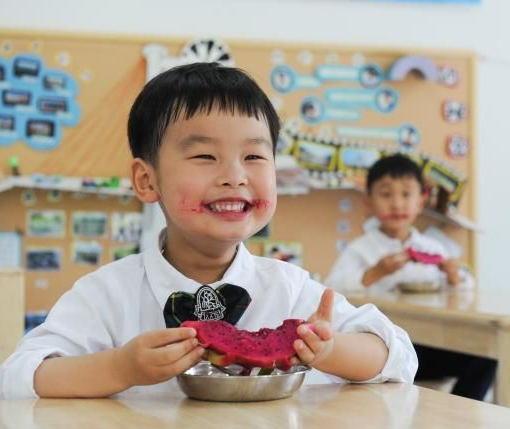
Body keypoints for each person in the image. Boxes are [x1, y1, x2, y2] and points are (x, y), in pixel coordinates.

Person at [0, 63, 417, 399]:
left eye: (254, 155)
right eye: (204, 155)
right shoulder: (106, 294)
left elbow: (398, 356)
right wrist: (119, 367)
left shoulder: (289, 289)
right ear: (147, 181)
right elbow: (20, 377)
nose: (235, 176)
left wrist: (331, 350)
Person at [325, 154, 496, 401]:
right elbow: (332, 289)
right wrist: (375, 273)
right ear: (368, 202)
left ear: (421, 201)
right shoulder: (360, 249)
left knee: (487, 358)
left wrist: (455, 277)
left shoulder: (432, 248)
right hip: (382, 349)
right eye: (386, 194)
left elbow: (467, 289)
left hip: (433, 346)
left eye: (406, 195)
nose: (397, 204)